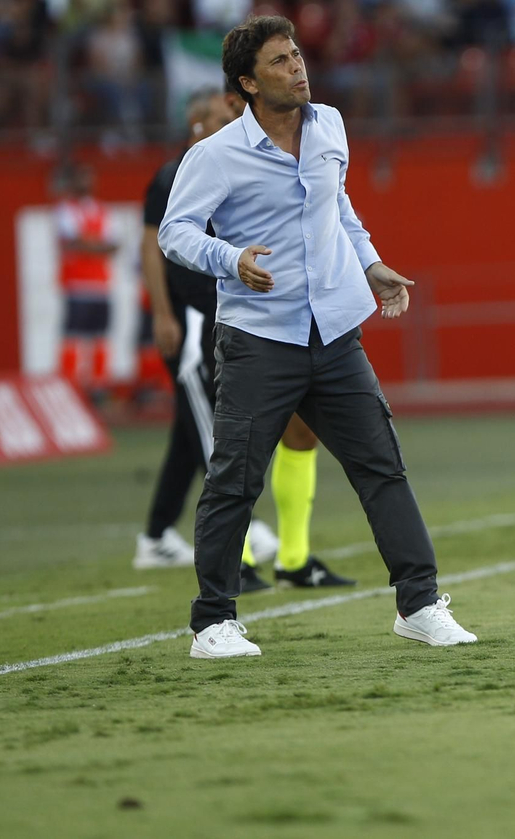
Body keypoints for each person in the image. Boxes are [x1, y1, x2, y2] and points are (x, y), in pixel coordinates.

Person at [159, 15, 474, 659]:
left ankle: (419, 605)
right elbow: (176, 231)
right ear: (246, 82)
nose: (298, 66)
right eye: (279, 61)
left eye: (297, 54)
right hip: (258, 337)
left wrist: (371, 262)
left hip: (333, 332)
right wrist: (230, 258)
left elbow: (341, 207)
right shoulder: (215, 154)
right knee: (234, 480)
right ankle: (212, 621)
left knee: (382, 466)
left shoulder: (329, 123)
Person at [135, 87, 353, 594]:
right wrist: (164, 314)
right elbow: (156, 244)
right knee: (225, 442)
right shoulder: (175, 174)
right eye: (213, 116)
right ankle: (238, 557)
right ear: (194, 125)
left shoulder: (257, 160)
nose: (226, 120)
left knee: (289, 432)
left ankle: (291, 558)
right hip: (196, 319)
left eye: (228, 112)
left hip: (258, 320)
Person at [56, 165, 116, 396]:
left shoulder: (101, 209)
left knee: (100, 336)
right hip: (76, 285)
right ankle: (69, 385)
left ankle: (99, 387)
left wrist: (88, 244)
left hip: (100, 286)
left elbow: (112, 245)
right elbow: (73, 242)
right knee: (73, 336)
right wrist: (97, 245)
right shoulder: (65, 210)